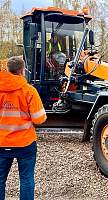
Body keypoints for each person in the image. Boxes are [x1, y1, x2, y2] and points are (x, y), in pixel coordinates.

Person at [0, 56, 47, 200]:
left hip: (1, 144)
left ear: (8, 70)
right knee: (26, 180)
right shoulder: (29, 91)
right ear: (22, 71)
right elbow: (39, 119)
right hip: (25, 144)